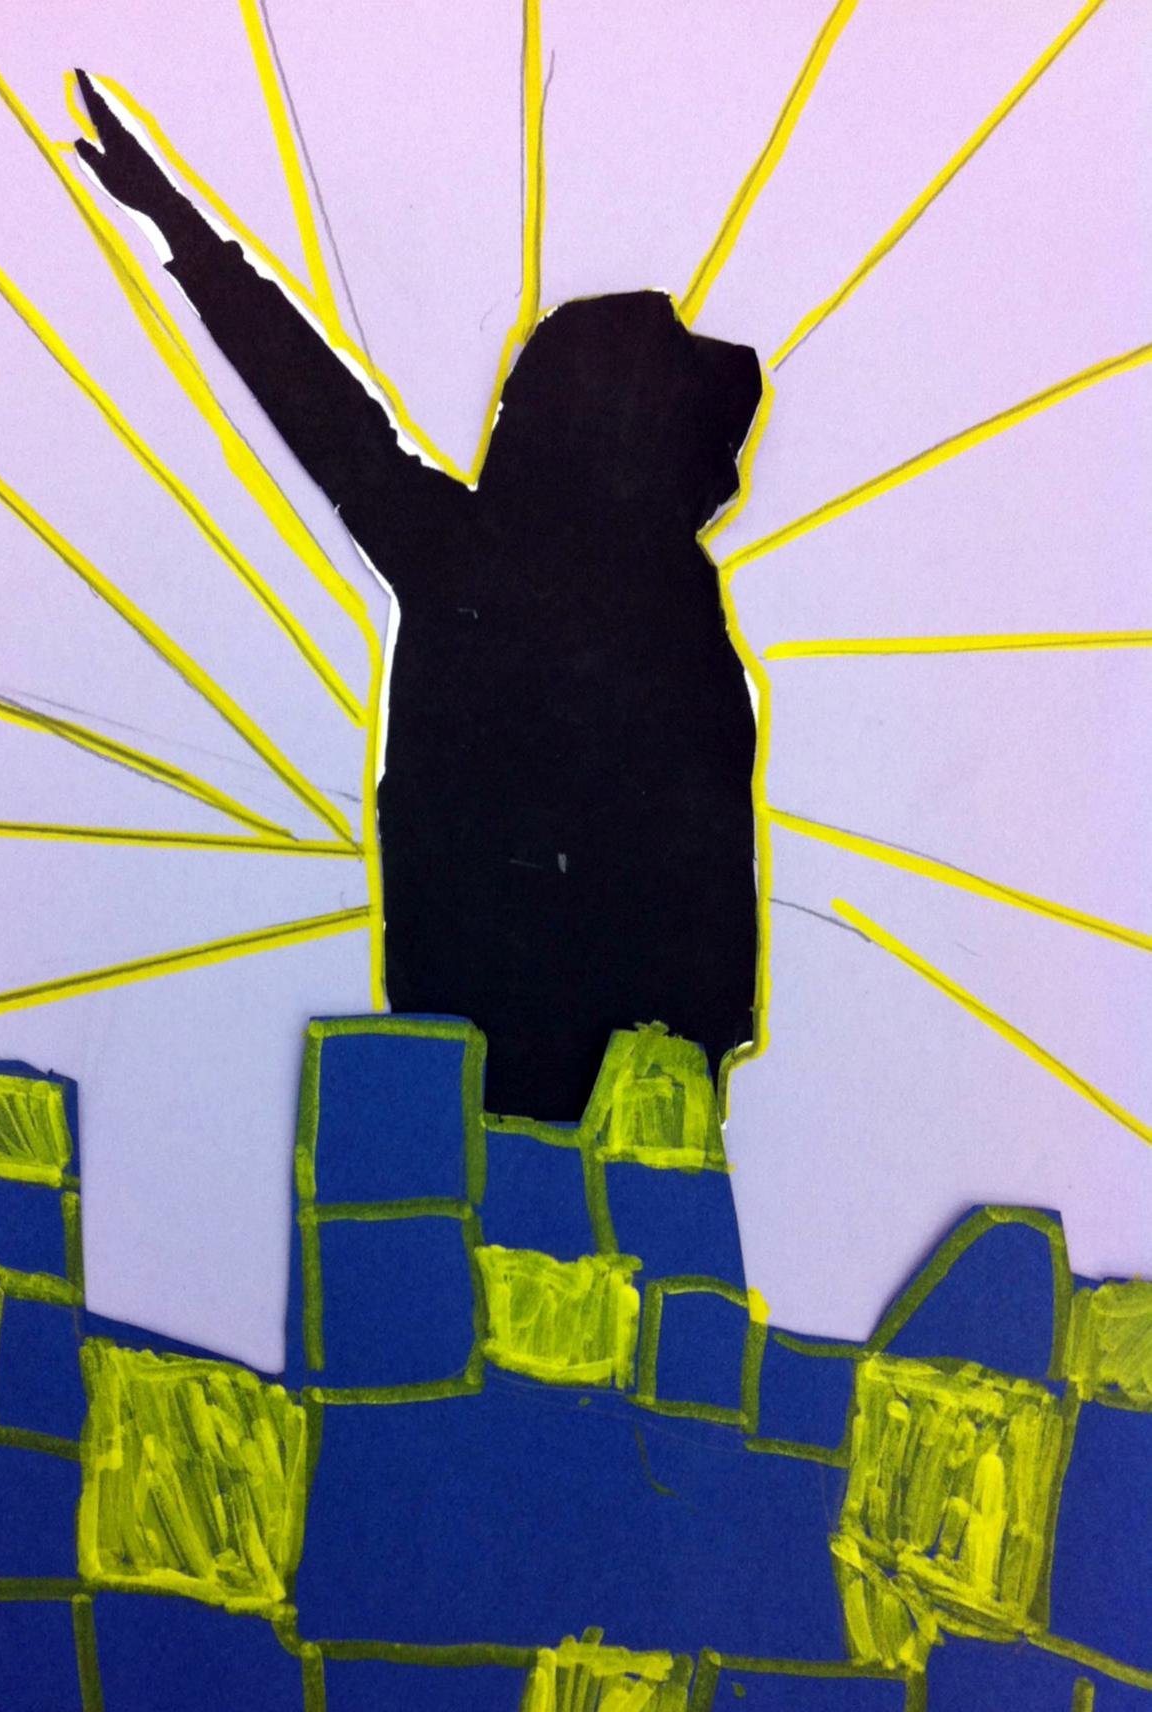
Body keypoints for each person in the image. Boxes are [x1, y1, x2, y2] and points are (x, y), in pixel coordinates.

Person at [77, 75, 763, 1121]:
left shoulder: (483, 556)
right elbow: (323, 410)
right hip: (600, 1054)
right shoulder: (645, 590)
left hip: (516, 1037)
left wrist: (185, 234)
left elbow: (329, 418)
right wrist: (184, 234)